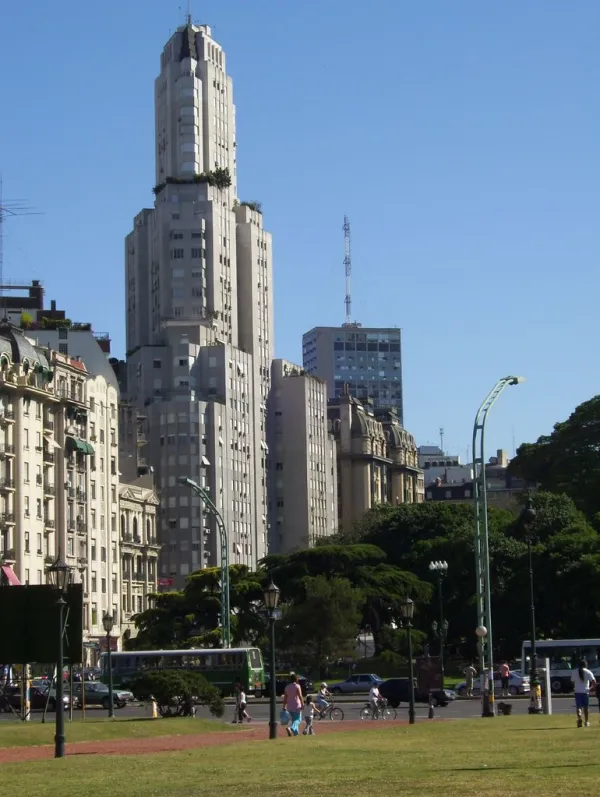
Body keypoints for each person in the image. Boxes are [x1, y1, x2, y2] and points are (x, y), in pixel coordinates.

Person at [572, 659, 596, 728]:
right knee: (586, 707)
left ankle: (579, 718)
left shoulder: (574, 672)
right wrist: (590, 688)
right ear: (586, 665)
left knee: (578, 707)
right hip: (585, 692)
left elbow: (572, 681)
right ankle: (586, 722)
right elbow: (594, 682)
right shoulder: (588, 672)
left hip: (577, 692)